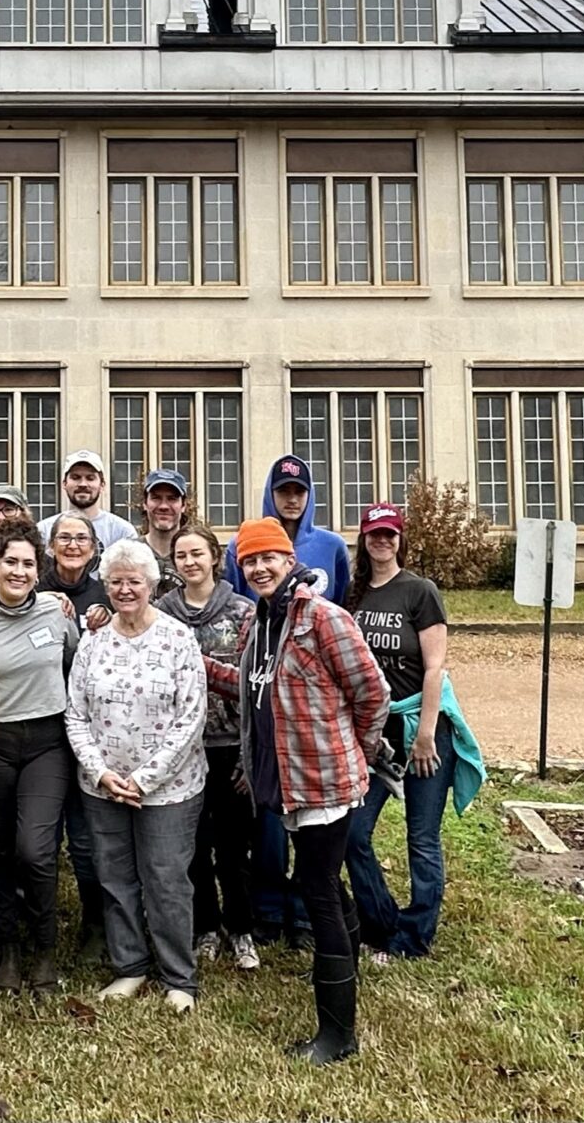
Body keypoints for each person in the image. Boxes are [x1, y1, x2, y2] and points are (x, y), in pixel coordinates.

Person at [218, 518, 389, 1065]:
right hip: (288, 779)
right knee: (321, 881)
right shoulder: (258, 624)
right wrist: (193, 661)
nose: (260, 567)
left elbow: (372, 692)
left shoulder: (322, 618)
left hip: (326, 781)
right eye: (250, 561)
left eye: (269, 557)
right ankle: (352, 969)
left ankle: (337, 1035)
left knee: (315, 890)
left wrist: (354, 753)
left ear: (289, 559)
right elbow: (251, 686)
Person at [65, 539, 207, 1015]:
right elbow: (75, 715)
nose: (126, 590)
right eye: (116, 582)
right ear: (106, 586)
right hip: (102, 787)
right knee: (115, 877)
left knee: (166, 878)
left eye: (135, 582)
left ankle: (178, 976)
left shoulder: (177, 639)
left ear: (152, 585)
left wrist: (144, 778)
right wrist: (101, 773)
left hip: (169, 788)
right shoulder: (93, 641)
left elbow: (191, 718)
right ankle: (130, 966)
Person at [344, 502, 485, 960]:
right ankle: (382, 922)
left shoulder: (419, 591)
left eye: (390, 534)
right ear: (363, 540)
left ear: (400, 539)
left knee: (421, 836)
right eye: (374, 534)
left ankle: (416, 935)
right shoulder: (355, 593)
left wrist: (425, 733)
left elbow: (435, 668)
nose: (381, 542)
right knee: (352, 833)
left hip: (421, 728)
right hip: (375, 736)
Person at [226, 454, 351, 948]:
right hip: (264, 700)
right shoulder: (246, 544)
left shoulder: (330, 548)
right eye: (283, 489)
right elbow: (248, 611)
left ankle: (308, 917)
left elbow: (362, 682)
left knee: (317, 836)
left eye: (299, 490)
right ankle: (270, 910)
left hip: (314, 715)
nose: (292, 497)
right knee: (271, 822)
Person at [0, 522, 78, 995]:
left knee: (35, 849)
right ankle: (8, 948)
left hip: (46, 743)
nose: (19, 570)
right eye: (10, 562)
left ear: (41, 570)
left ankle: (45, 949)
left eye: (28, 564)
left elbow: (79, 664)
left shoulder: (57, 614)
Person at [158, 522, 258, 973]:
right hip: (182, 749)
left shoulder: (243, 613)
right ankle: (205, 927)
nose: (190, 562)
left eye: (197, 553)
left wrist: (249, 751)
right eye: (181, 556)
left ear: (215, 558)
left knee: (233, 848)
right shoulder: (163, 613)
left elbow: (257, 688)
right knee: (193, 846)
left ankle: (241, 930)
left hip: (229, 745)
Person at [39, 510, 107, 956]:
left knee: (85, 837)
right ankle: (36, 922)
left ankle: (95, 921)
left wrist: (111, 615)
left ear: (94, 546)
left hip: (93, 730)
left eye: (81, 538)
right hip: (42, 726)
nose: (72, 545)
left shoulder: (106, 593)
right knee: (41, 836)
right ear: (50, 546)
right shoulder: (33, 587)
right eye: (64, 537)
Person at [224, 455, 350, 604]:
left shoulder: (333, 546)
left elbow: (344, 605)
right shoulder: (241, 544)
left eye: (300, 491)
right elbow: (233, 605)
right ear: (270, 494)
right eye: (284, 491)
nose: (292, 500)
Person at [37, 450, 136, 552]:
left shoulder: (122, 532)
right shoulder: (44, 531)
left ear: (102, 485)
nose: (83, 484)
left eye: (90, 478)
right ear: (64, 483)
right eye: (75, 477)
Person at [137, 469, 190, 594]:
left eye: (172, 499)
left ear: (183, 506)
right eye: (156, 498)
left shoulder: (196, 555)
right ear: (145, 503)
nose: (163, 506)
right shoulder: (129, 553)